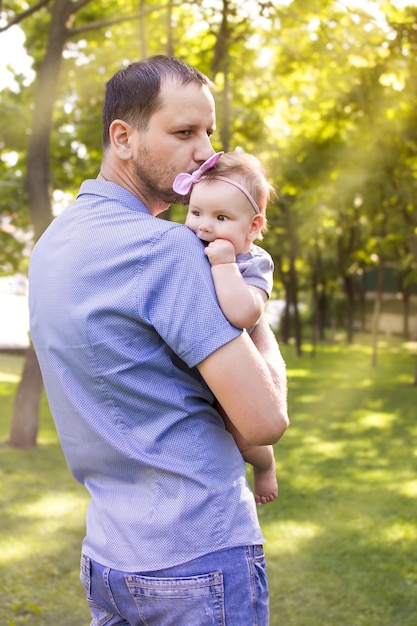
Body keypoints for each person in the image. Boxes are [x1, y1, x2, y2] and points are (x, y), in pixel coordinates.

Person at [29, 55, 289, 626]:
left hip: (110, 558)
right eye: (183, 132)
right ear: (122, 137)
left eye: (209, 133)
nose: (206, 153)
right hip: (197, 553)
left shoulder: (52, 245)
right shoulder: (164, 248)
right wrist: (255, 303)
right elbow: (265, 420)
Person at [173, 150, 278, 505]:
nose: (204, 225)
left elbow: (244, 313)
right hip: (200, 369)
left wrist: (224, 266)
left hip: (237, 374)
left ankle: (265, 468)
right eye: (196, 212)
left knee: (243, 439)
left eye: (221, 217)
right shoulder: (190, 244)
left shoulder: (254, 263)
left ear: (253, 226)